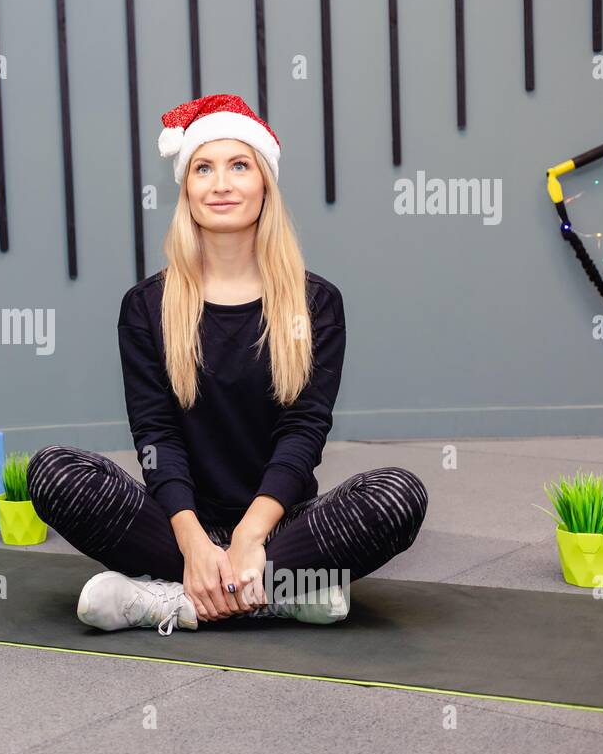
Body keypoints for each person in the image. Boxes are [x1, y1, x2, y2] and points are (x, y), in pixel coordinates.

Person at [27, 93, 428, 636]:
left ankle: (166, 600)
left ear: (265, 183)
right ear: (186, 188)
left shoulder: (316, 303)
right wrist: (194, 541)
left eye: (239, 165)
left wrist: (249, 538)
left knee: (396, 495)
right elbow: (155, 433)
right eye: (203, 168)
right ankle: (279, 594)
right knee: (55, 471)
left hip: (280, 525)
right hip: (177, 522)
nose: (221, 184)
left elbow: (303, 429)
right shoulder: (146, 306)